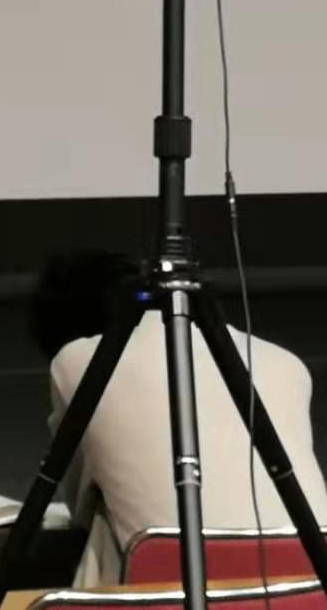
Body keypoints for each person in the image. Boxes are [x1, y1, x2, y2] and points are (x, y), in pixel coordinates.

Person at [30, 250, 327, 586]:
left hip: (166, 586)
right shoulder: (286, 363)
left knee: (104, 525)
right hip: (305, 586)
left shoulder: (79, 359)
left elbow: (80, 505)